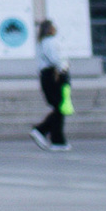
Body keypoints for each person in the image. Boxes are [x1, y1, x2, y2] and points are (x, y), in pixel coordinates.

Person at [32, 21, 72, 150]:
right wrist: (63, 68)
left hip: (48, 75)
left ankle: (56, 139)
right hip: (53, 75)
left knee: (59, 108)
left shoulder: (42, 42)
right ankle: (42, 130)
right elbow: (55, 59)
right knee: (60, 107)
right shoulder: (50, 42)